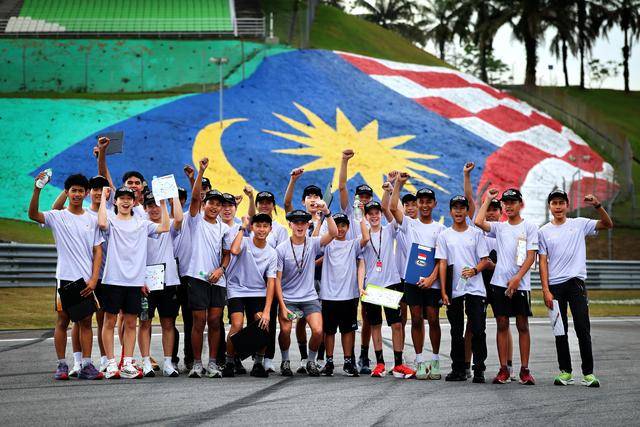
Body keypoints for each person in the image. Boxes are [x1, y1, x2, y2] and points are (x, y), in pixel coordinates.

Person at [29, 172, 104, 381]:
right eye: (73, 190)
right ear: (67, 192)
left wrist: (94, 279)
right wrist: (37, 189)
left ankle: (86, 365)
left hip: (85, 280)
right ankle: (62, 364)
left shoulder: (92, 219)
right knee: (63, 321)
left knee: (86, 322)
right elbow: (33, 214)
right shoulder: (57, 216)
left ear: (86, 193)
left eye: (81, 191)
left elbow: (98, 250)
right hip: (64, 278)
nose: (77, 194)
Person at [538, 189, 612, 387]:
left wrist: (598, 206)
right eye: (554, 203)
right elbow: (542, 262)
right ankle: (565, 372)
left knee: (582, 328)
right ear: (549, 206)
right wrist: (545, 290)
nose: (558, 206)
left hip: (576, 284)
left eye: (561, 202)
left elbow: (607, 224)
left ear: (567, 205)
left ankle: (588, 374)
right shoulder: (543, 231)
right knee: (559, 330)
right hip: (555, 286)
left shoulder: (579, 224)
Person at [98, 185, 170, 379]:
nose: (125, 201)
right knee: (109, 321)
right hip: (113, 279)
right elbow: (102, 223)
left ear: (134, 201)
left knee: (131, 323)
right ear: (116, 201)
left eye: (128, 198)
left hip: (134, 282)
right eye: (121, 198)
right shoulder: (111, 221)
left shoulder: (142, 223)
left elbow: (165, 227)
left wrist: (163, 203)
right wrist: (103, 197)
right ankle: (111, 364)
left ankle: (127, 363)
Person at [474, 188, 538, 385]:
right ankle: (504, 369)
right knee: (502, 324)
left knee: (522, 325)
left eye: (512, 202)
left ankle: (525, 370)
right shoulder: (500, 228)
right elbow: (478, 221)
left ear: (520, 204)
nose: (509, 206)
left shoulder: (529, 227)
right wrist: (488, 199)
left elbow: (531, 256)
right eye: (506, 203)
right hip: (499, 283)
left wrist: (518, 278)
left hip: (521, 284)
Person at [462, 163, 516, 380]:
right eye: (489, 209)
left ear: (501, 212)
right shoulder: (477, 227)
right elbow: (468, 199)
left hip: (500, 280)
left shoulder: (504, 230)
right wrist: (467, 175)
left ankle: (508, 366)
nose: (491, 213)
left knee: (504, 322)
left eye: (495, 209)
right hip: (479, 280)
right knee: (472, 324)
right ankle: (466, 365)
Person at [389, 172, 445, 380]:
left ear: (434, 204)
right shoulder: (409, 224)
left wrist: (431, 278)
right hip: (412, 280)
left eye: (428, 201)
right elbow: (393, 207)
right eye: (421, 201)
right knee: (416, 320)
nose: (424, 205)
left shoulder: (441, 228)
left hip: (433, 282)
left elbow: (441, 259)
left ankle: (435, 361)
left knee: (433, 319)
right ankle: (420, 361)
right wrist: (398, 184)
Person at [183, 158, 233, 379]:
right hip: (197, 277)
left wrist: (221, 269)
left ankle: (212, 363)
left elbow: (227, 254)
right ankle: (196, 363)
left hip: (217, 280)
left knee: (214, 322)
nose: (214, 207)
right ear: (205, 204)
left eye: (218, 204)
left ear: (221, 208)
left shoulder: (224, 228)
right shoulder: (195, 221)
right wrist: (201, 171)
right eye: (211, 202)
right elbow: (194, 197)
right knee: (198, 321)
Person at [275, 204, 337, 377]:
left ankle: (310, 361)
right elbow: (277, 280)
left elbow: (333, 233)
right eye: (296, 222)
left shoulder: (313, 243)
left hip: (309, 297)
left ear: (308, 225)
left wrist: (327, 212)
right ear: (290, 225)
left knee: (318, 330)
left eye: (303, 222)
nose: (300, 226)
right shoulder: (281, 249)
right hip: (288, 298)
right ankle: (285, 361)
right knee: (285, 330)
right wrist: (282, 305)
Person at [436, 195, 491, 383]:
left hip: (475, 289)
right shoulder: (444, 235)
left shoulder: (476, 234)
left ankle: (479, 369)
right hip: (455, 290)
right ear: (450, 211)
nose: (458, 211)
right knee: (456, 330)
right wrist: (443, 291)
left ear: (467, 211)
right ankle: (458, 368)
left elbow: (485, 260)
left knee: (478, 329)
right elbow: (442, 263)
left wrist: (475, 270)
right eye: (455, 208)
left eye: (462, 208)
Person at [361, 200, 414, 379]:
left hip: (390, 283)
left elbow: (389, 207)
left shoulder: (389, 229)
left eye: (377, 213)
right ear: (366, 216)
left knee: (396, 324)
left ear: (381, 214)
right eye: (370, 214)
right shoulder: (364, 236)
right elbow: (361, 263)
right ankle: (380, 364)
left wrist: (389, 189)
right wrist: (361, 286)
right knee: (375, 325)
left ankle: (398, 364)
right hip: (372, 286)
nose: (374, 216)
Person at [283, 168, 327, 373]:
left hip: (322, 277)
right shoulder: (299, 221)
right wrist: (293, 180)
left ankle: (318, 359)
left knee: (320, 321)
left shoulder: (326, 221)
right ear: (303, 201)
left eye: (316, 196)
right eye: (309, 196)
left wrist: (314, 262)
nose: (313, 199)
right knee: (300, 320)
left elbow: (330, 248)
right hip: (300, 279)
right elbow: (286, 204)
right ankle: (303, 358)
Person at [224, 214, 278, 378]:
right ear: (252, 227)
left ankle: (258, 364)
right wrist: (243, 227)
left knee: (263, 322)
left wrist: (267, 311)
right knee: (237, 324)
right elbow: (234, 250)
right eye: (258, 226)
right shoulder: (244, 241)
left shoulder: (272, 253)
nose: (261, 229)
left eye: (265, 226)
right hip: (237, 289)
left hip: (257, 292)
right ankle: (229, 362)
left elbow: (271, 282)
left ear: (270, 229)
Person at [337, 149, 375, 375]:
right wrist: (344, 161)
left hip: (370, 271)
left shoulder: (375, 219)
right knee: (348, 315)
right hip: (348, 270)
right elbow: (342, 186)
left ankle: (364, 354)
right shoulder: (349, 215)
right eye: (360, 197)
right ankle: (347, 357)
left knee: (368, 315)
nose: (363, 200)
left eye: (367, 197)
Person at [138, 192, 183, 378]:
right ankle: (146, 361)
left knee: (168, 323)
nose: (154, 208)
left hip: (169, 282)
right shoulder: (140, 226)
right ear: (145, 208)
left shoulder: (170, 224)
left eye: (157, 204)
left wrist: (167, 201)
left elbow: (179, 219)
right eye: (150, 205)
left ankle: (168, 362)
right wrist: (138, 280)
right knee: (144, 322)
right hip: (146, 284)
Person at [319, 212, 370, 376]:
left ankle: (348, 362)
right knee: (329, 331)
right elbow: (315, 240)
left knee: (347, 330)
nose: (340, 229)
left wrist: (361, 217)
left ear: (348, 227)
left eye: (343, 225)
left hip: (348, 296)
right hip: (329, 296)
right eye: (337, 225)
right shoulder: (327, 245)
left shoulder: (352, 244)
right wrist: (322, 219)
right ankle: (329, 362)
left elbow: (366, 238)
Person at [245, 186, 289, 373]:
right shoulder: (253, 225)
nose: (264, 205)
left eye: (268, 202)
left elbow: (280, 256)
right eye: (261, 202)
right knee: (253, 320)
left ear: (273, 205)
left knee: (269, 319)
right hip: (252, 283)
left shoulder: (279, 229)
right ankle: (255, 357)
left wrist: (272, 278)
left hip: (271, 280)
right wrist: (249, 198)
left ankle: (268, 358)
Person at [171, 185, 195, 372]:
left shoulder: (189, 219)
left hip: (186, 277)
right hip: (166, 278)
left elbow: (197, 201)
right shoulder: (160, 219)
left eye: (179, 198)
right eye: (172, 198)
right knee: (168, 321)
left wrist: (193, 178)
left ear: (184, 201)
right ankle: (171, 358)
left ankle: (190, 358)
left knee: (189, 321)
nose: (176, 201)